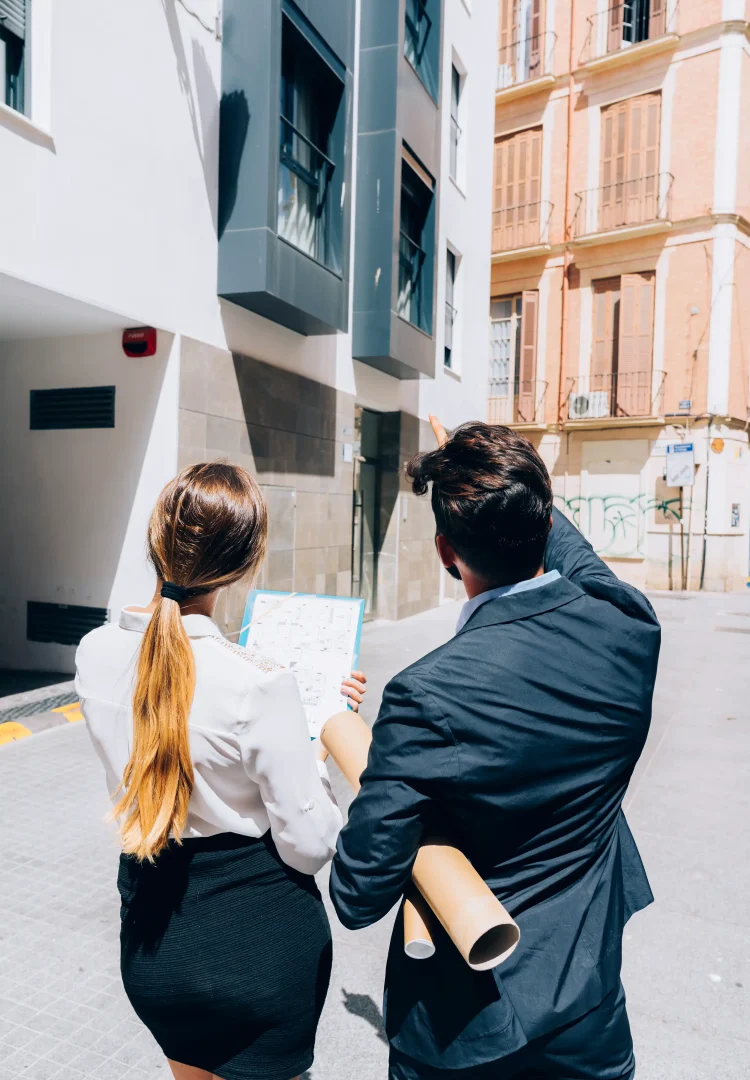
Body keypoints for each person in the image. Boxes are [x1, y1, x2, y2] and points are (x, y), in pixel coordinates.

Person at [329, 422, 660, 1080]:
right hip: (588, 1008)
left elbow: (358, 892)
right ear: (540, 519)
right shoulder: (629, 625)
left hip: (467, 1028)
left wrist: (345, 739)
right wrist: (503, 476)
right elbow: (571, 545)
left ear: (445, 551)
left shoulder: (427, 693)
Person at [75, 462, 366, 1080]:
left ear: (157, 540)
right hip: (256, 946)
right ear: (246, 563)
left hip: (156, 940)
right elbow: (311, 846)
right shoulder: (261, 685)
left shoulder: (95, 652)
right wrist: (316, 741)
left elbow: (177, 693)